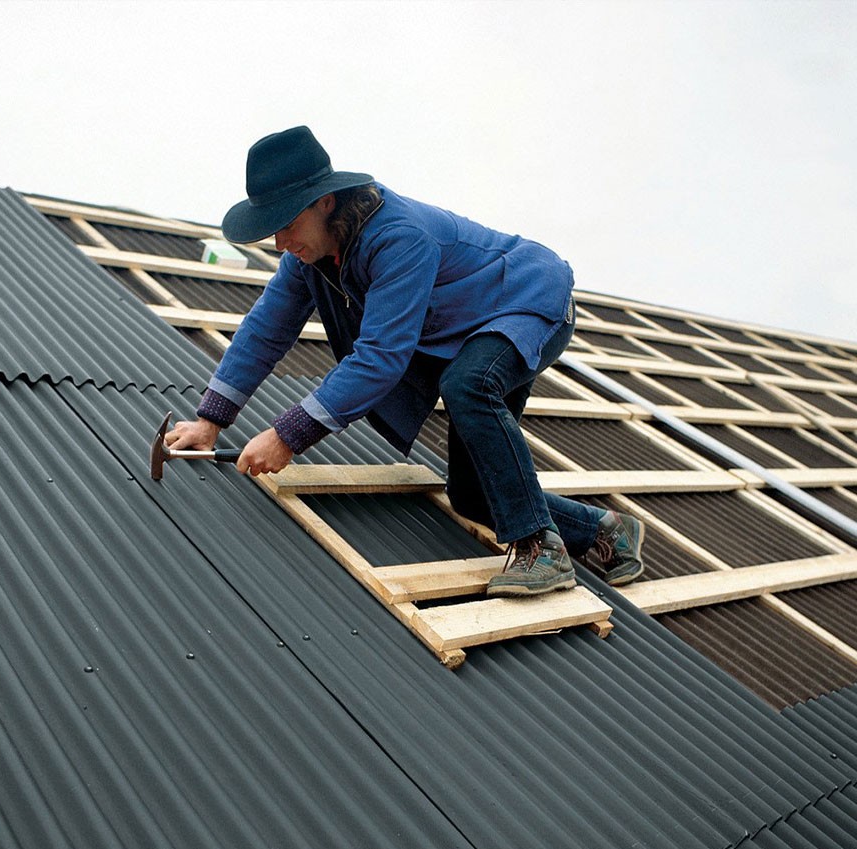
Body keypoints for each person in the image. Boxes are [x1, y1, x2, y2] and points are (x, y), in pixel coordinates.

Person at [167, 125, 644, 596]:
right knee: (473, 495)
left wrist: (288, 435)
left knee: (468, 385)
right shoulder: (310, 257)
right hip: (467, 321)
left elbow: (380, 357)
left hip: (527, 297)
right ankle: (606, 531)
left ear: (324, 202)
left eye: (287, 225)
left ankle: (541, 550)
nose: (279, 244)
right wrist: (211, 420)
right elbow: (267, 328)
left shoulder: (397, 237)